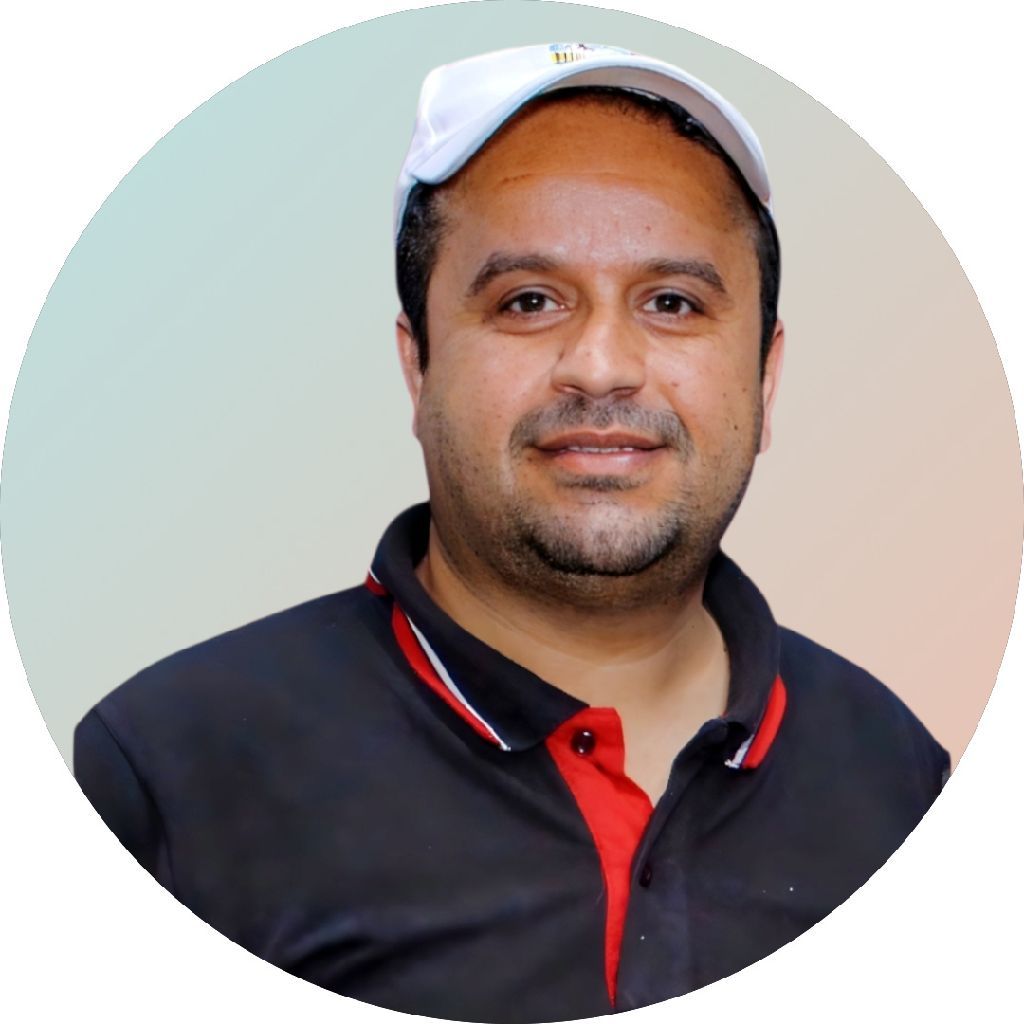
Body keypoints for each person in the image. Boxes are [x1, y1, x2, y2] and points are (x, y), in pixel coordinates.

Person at [74, 42, 949, 1023]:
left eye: (672, 302)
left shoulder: (897, 775)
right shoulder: (171, 769)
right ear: (418, 367)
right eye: (528, 301)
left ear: (765, 376)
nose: (602, 365)